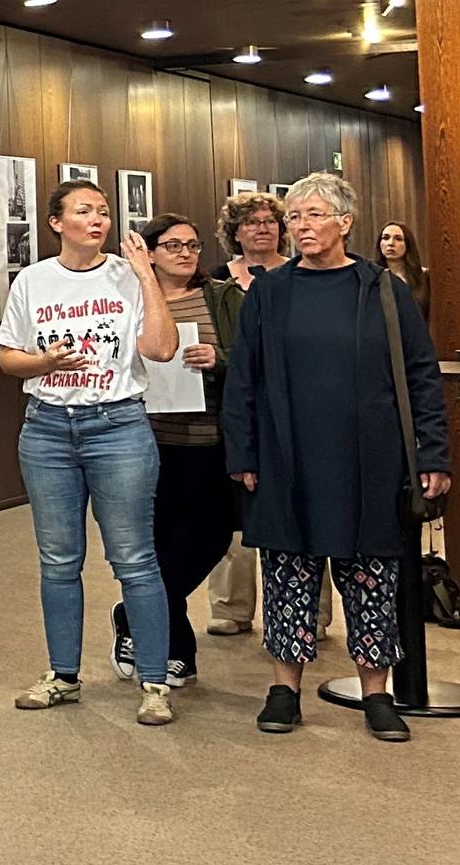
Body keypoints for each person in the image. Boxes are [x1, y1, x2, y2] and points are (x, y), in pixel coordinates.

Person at [222, 172, 448, 741]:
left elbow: (421, 377)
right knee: (288, 575)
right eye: (294, 217)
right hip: (286, 457)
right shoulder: (269, 291)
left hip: (370, 461)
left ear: (345, 223)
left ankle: (376, 694)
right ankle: (284, 689)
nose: (301, 227)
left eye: (314, 215)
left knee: (371, 577)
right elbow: (243, 379)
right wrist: (243, 452)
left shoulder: (383, 291)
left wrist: (433, 455)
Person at [0, 179, 180, 723]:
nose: (97, 220)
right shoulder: (33, 281)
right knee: (58, 560)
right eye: (84, 211)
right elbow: (8, 358)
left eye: (103, 211)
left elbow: (162, 348)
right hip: (48, 429)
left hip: (118, 425)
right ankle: (62, 675)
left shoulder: (128, 276)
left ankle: (153, 681)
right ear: (56, 223)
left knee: (134, 559)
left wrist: (147, 273)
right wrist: (44, 364)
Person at [113, 214, 244, 690]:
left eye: (192, 245)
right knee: (156, 547)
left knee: (208, 541)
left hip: (209, 442)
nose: (187, 254)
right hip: (143, 442)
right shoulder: (126, 301)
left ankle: (132, 613)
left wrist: (220, 361)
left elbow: (257, 358)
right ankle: (178, 652)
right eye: (173, 246)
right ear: (147, 253)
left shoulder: (224, 298)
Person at [203, 190, 289, 638]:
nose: (262, 228)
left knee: (296, 507)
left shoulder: (299, 274)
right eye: (251, 222)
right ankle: (231, 607)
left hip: (290, 405)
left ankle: (305, 615)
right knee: (234, 510)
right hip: (230, 404)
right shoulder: (216, 282)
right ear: (234, 232)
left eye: (269, 221)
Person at [379, 222, 430, 318]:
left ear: (408, 244)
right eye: (385, 238)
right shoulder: (372, 277)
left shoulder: (425, 276)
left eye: (398, 239)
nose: (390, 243)